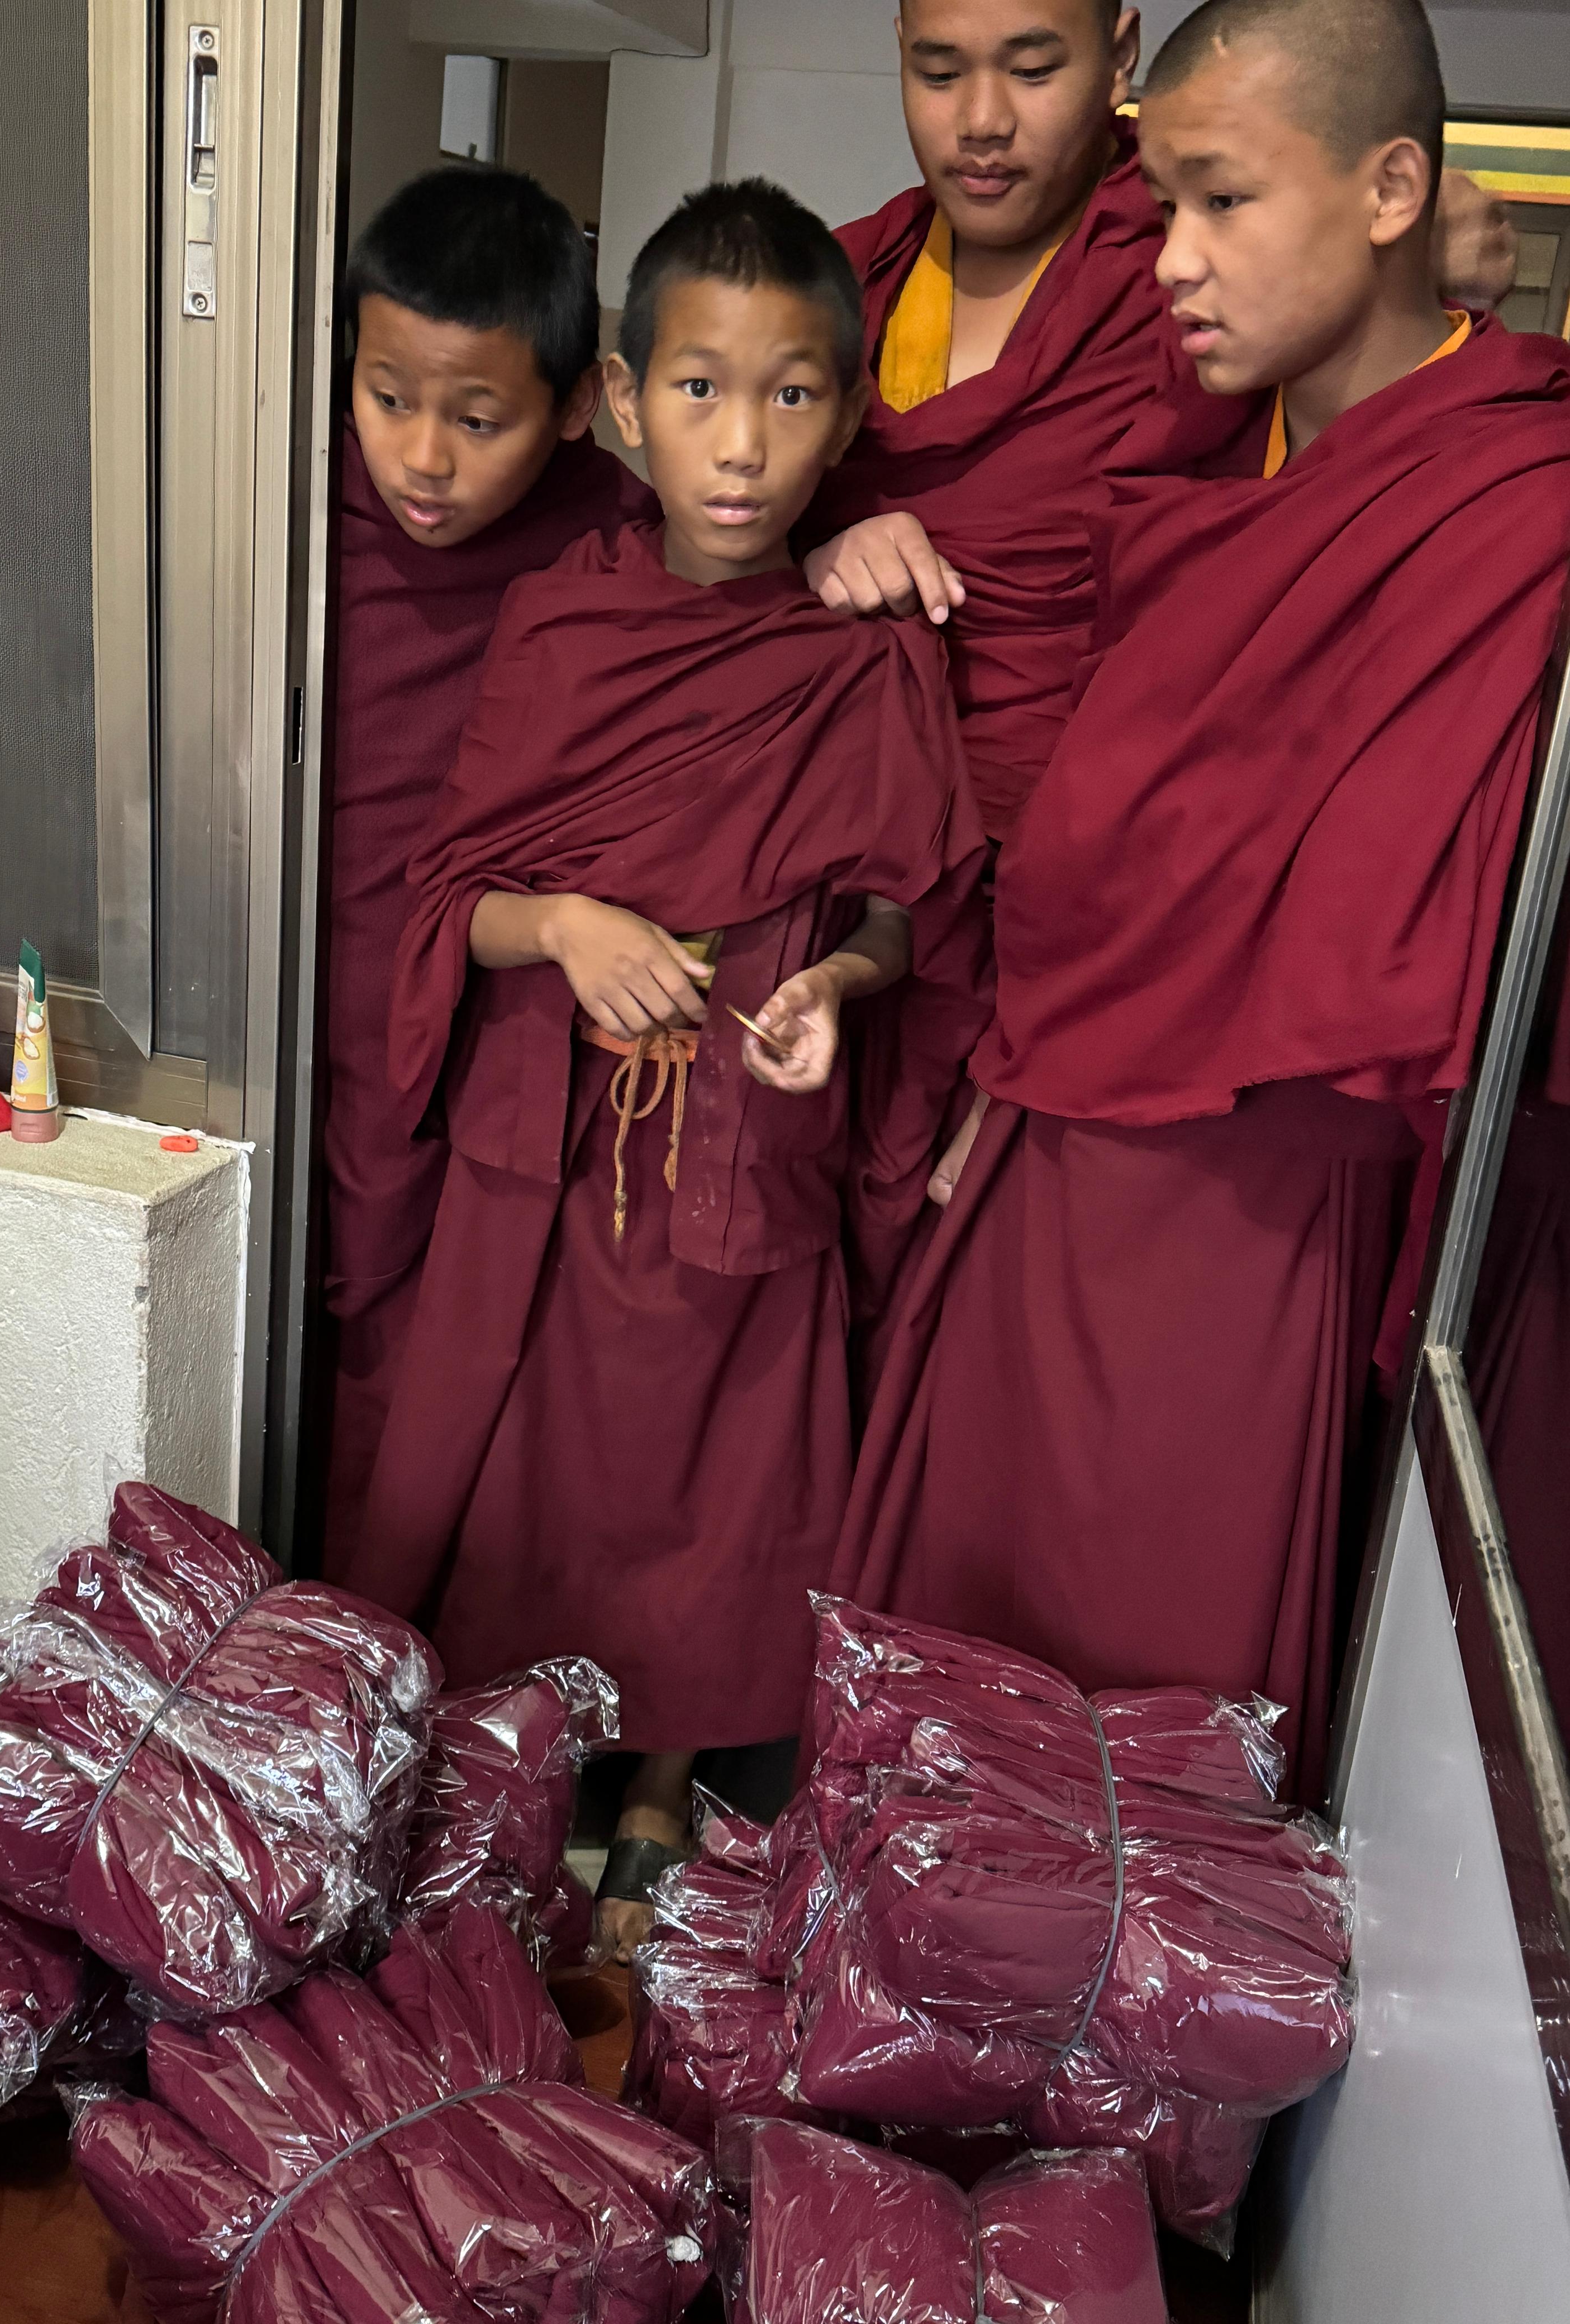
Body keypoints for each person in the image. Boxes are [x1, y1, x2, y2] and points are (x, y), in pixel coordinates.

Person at [829, 0, 1570, 1805]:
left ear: (1393, 188)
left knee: (1154, 1797)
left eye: (1224, 203)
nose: (1173, 263)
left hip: (1268, 1238)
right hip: (1041, 1169)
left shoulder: (1522, 499)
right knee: (949, 1739)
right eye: (1163, 207)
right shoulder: (1191, 469)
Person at [342, 180, 987, 1955]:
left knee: (711, 1502)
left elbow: (904, 919)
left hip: (744, 1155)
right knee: (535, 1489)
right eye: (700, 390)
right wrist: (558, 922)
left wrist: (843, 993)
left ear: (845, 421)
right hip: (544, 1164)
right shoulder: (562, 624)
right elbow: (443, 902)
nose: (742, 444)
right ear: (622, 403)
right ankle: (520, 1787)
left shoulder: (862, 662)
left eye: (792, 397)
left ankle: (665, 1785)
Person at [801, 0, 1518, 846]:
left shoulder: (1223, 269)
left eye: (1033, 72)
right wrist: (802, 562)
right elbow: (703, 562)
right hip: (852, 840)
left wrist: (1393, 239)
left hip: (1120, 842)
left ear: (1119, 55)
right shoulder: (834, 284)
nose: (981, 122)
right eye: (939, 73)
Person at [320, 168, 655, 1573]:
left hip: (486, 1017)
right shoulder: (276, 513)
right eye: (388, 397)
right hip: (308, 986)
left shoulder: (615, 546)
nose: (423, 461)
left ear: (576, 405)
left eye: (478, 419)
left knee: (420, 1359)